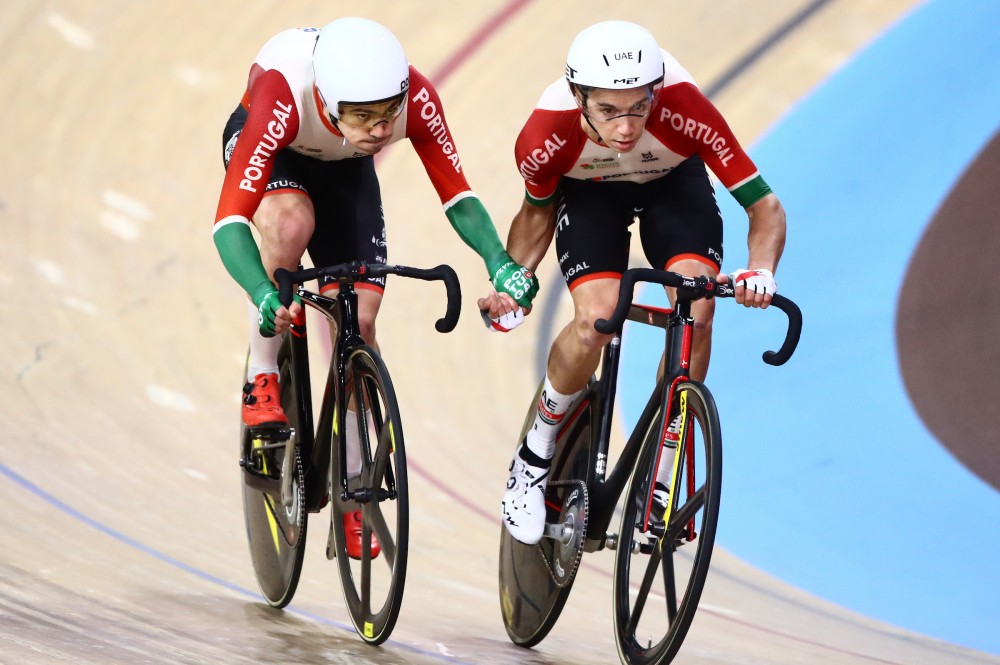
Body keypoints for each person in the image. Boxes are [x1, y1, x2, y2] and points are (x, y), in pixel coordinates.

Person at [214, 17, 538, 556]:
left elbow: (457, 194)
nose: (383, 130)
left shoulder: (411, 97)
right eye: (365, 117)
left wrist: (499, 263)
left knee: (359, 322)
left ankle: (354, 493)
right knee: (290, 225)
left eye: (390, 115)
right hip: (277, 155)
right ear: (326, 96)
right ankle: (263, 373)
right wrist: (262, 291)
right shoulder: (283, 92)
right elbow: (228, 225)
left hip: (344, 168)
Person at [478, 20, 786, 545]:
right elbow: (536, 216)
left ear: (656, 92)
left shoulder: (686, 109)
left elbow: (765, 206)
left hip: (673, 186)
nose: (625, 127)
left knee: (698, 308)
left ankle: (662, 472)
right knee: (596, 319)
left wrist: (761, 269)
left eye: (638, 106)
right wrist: (513, 279)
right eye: (608, 110)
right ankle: (535, 453)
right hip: (590, 193)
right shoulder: (545, 134)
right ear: (578, 96)